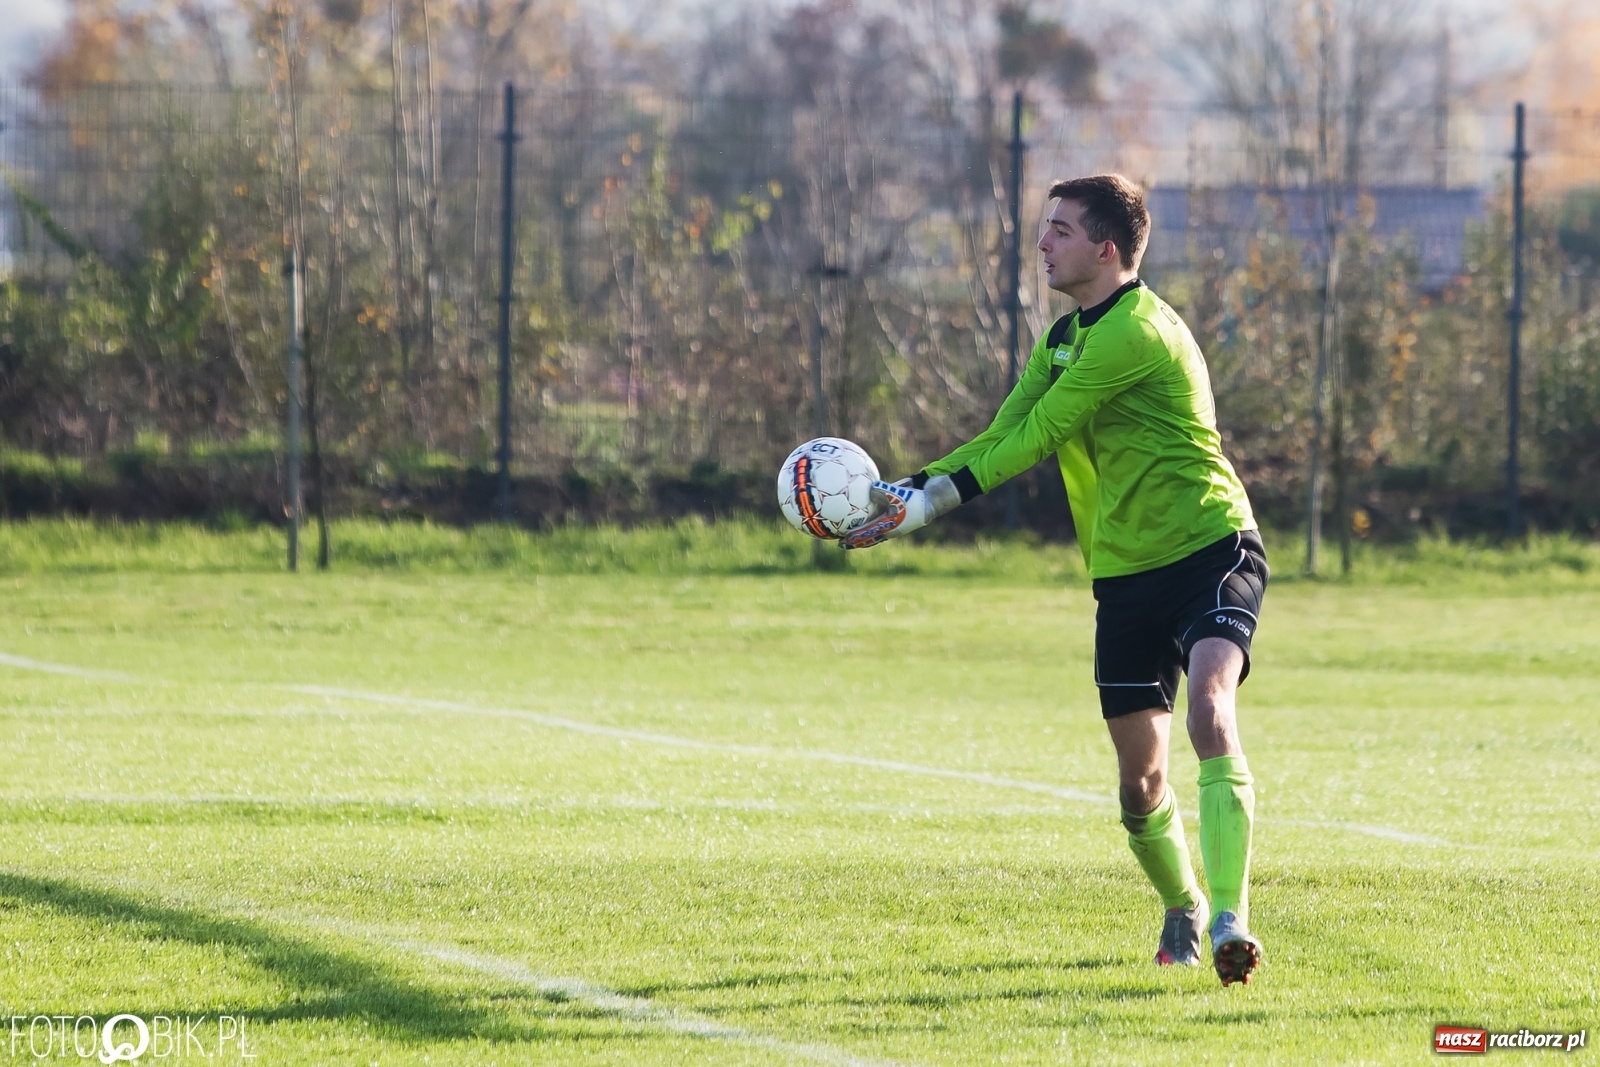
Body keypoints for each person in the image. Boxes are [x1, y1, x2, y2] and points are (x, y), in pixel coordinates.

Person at [841, 174, 1268, 986]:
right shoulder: (1064, 338)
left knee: (1211, 711)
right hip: (1126, 572)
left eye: (1060, 231)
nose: (1042, 243)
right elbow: (1002, 431)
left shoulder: (1135, 331)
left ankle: (1229, 919)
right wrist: (907, 492)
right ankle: (1183, 903)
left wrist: (925, 509)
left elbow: (1038, 437)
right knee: (1140, 783)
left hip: (1211, 546)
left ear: (1105, 250)